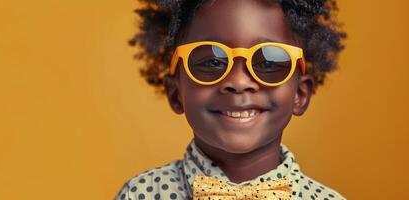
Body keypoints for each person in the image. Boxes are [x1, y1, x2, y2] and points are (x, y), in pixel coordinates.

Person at [116, 0, 346, 199]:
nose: (238, 82)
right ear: (176, 94)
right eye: (213, 61)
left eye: (267, 62)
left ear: (300, 94)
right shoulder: (139, 194)